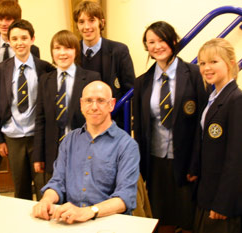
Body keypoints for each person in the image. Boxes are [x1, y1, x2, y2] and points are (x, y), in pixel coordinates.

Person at [133, 21, 209, 233]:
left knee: (187, 217)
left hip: (186, 161)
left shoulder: (195, 75)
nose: (157, 46)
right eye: (151, 42)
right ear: (146, 46)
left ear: (173, 41)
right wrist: (140, 167)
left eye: (162, 40)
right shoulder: (142, 83)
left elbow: (202, 125)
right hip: (155, 160)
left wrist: (196, 163)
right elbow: (139, 129)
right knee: (160, 214)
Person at [32, 81, 140, 224]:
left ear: (112, 104)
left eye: (101, 100)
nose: (94, 107)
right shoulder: (69, 140)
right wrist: (46, 200)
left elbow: (125, 197)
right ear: (81, 104)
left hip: (107, 221)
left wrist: (89, 211)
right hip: (70, 219)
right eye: (89, 101)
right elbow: (57, 182)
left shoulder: (127, 145)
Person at [0, 19, 54, 201]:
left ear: (32, 39)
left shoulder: (44, 68)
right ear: (9, 41)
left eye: (24, 38)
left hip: (38, 137)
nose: (19, 42)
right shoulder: (1, 69)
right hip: (13, 137)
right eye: (15, 38)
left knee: (44, 187)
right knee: (21, 190)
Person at [32, 30, 100, 186]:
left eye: (67, 48)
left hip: (83, 150)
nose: (62, 53)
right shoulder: (45, 80)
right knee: (55, 198)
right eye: (57, 48)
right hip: (52, 152)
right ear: (52, 52)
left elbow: (97, 119)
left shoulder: (91, 78)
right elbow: (40, 119)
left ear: (75, 51)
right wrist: (38, 155)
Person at [190, 38, 242, 233]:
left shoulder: (236, 100)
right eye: (202, 63)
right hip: (207, 192)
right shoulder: (213, 98)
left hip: (222, 202)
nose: (206, 68)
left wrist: (223, 203)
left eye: (213, 62)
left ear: (230, 63)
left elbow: (236, 159)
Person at [73, 0, 135, 127]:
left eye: (91, 20)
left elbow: (130, 91)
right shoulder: (72, 52)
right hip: (81, 127)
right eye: (81, 22)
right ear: (77, 25)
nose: (86, 27)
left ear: (102, 22)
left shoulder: (119, 51)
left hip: (113, 124)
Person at [0, 0, 40, 68]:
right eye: (0, 19)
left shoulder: (32, 50)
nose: (3, 24)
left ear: (17, 20)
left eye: (8, 19)